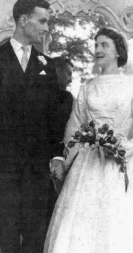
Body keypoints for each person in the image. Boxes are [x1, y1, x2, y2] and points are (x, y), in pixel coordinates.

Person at [44, 28, 133, 253]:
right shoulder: (87, 87)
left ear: (118, 52)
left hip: (121, 165)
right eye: (96, 45)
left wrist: (124, 147)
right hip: (87, 166)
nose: (97, 50)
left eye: (104, 45)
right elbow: (74, 130)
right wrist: (63, 162)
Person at [0, 0, 64, 252]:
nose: (46, 27)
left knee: (36, 234)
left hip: (37, 166)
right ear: (24, 20)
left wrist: (57, 154)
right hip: (4, 164)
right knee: (9, 235)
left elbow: (53, 116)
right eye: (42, 21)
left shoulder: (48, 64)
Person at [50, 57, 74, 193]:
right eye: (69, 74)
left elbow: (64, 129)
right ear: (58, 71)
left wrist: (58, 157)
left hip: (58, 159)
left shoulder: (66, 98)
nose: (70, 80)